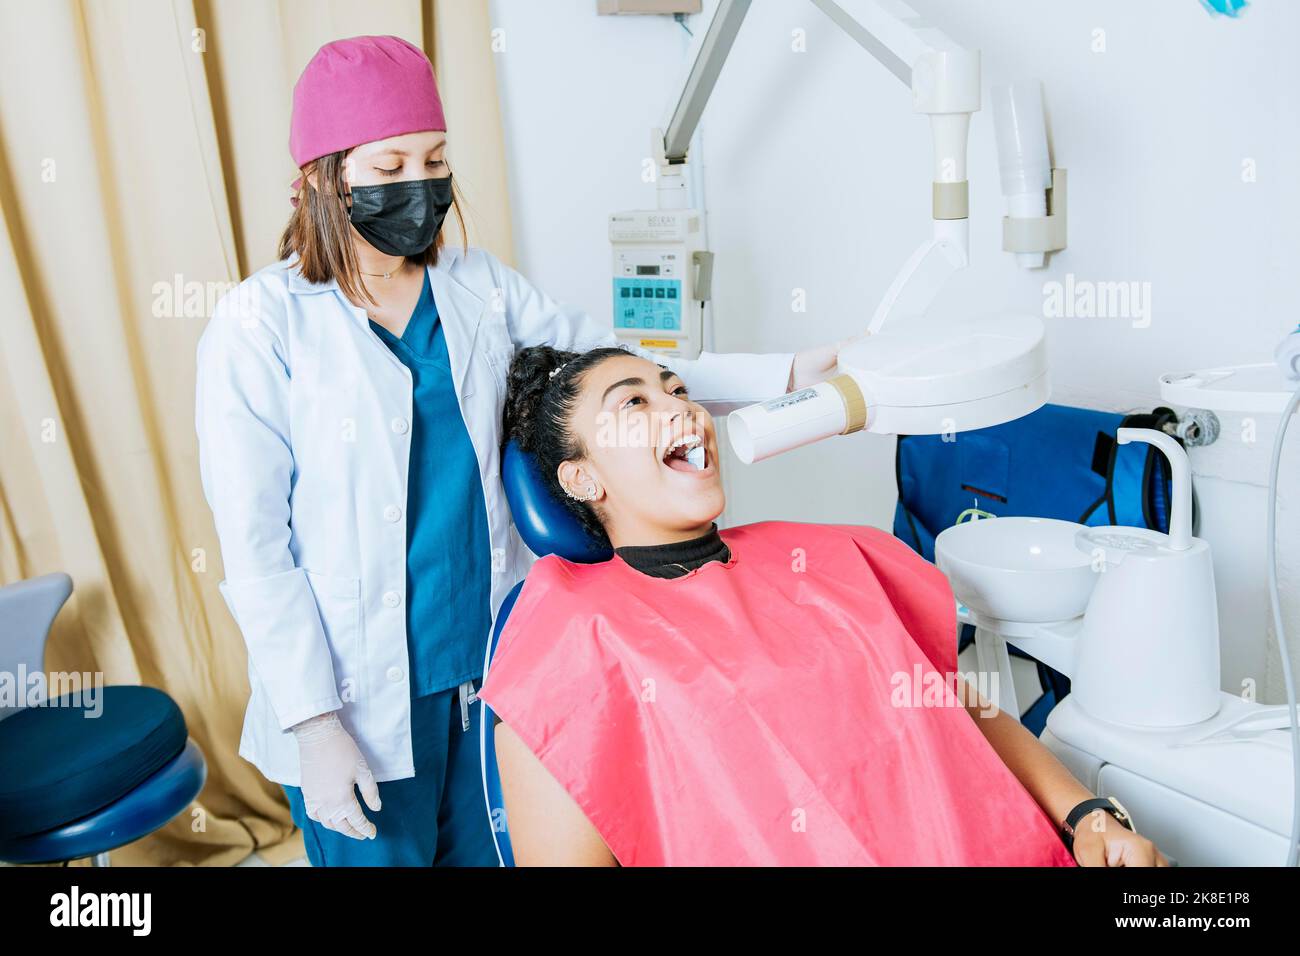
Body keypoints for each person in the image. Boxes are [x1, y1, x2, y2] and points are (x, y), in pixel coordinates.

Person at [194, 35, 846, 866]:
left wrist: (788, 372)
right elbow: (257, 549)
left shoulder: (480, 288)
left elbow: (618, 368)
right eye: (388, 169)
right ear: (325, 179)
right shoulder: (260, 326)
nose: (419, 187)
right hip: (356, 692)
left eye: (433, 161)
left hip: (491, 666)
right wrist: (313, 721)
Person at [477, 345, 1171, 867]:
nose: (681, 409)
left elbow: (956, 707)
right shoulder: (573, 648)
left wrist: (1088, 815)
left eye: (679, 390)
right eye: (635, 404)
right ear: (582, 477)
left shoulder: (836, 556)